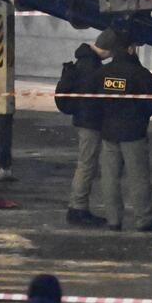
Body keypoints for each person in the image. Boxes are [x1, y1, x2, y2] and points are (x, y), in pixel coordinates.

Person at [94, 35, 152, 232]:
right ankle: (144, 219)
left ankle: (113, 220)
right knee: (138, 178)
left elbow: (94, 100)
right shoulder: (139, 73)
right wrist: (140, 114)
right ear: (131, 49)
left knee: (109, 178)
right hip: (133, 132)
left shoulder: (103, 73)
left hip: (109, 131)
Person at [55, 29, 123, 227]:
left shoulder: (85, 61)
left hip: (85, 120)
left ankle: (78, 206)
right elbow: (95, 96)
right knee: (86, 165)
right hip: (90, 122)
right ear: (109, 50)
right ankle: (78, 208)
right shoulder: (91, 66)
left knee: (86, 163)